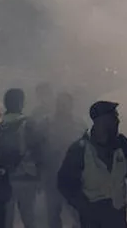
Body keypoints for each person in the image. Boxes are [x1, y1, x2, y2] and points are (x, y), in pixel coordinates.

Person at [57, 101, 127, 228]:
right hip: (91, 219)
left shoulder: (122, 144)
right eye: (114, 117)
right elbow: (64, 183)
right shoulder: (79, 150)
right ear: (100, 121)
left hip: (117, 214)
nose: (118, 121)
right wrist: (84, 207)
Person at [0, 88, 43, 228]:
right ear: (21, 102)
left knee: (6, 220)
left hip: (4, 179)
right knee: (29, 218)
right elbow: (37, 148)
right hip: (26, 176)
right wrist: (40, 175)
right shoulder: (28, 122)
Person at [44, 92, 86, 228]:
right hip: (52, 176)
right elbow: (39, 148)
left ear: (71, 106)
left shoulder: (80, 124)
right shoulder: (47, 123)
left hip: (75, 177)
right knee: (53, 215)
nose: (61, 107)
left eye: (65, 104)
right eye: (59, 104)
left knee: (78, 214)